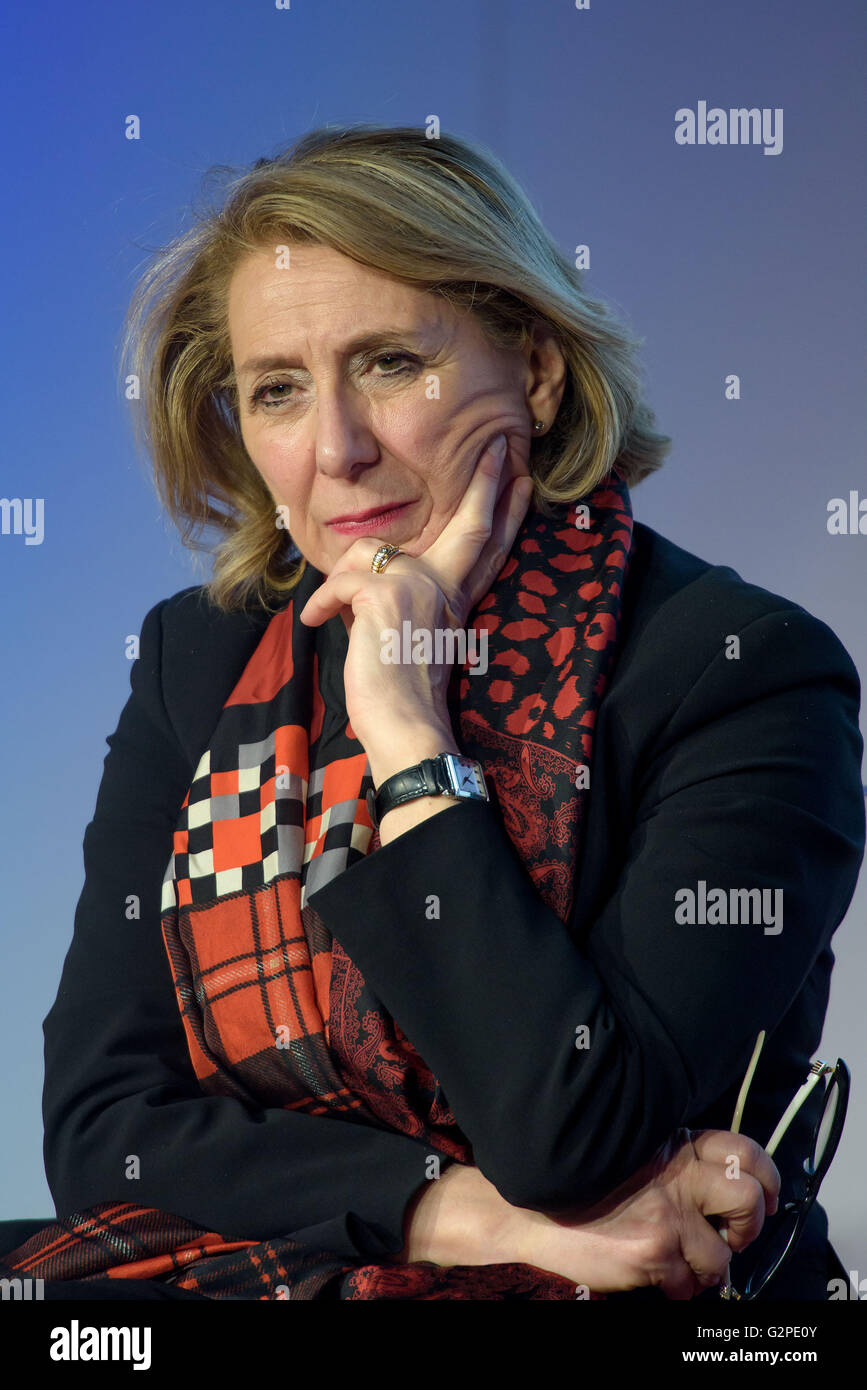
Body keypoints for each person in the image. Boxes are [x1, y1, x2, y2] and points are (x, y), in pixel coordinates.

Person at [1, 124, 862, 1301]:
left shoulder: (741, 669)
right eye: (279, 391)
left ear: (538, 370)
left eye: (393, 363)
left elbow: (574, 1133)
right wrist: (450, 1213)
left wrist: (407, 728)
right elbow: (104, 1133)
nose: (337, 449)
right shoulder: (196, 661)